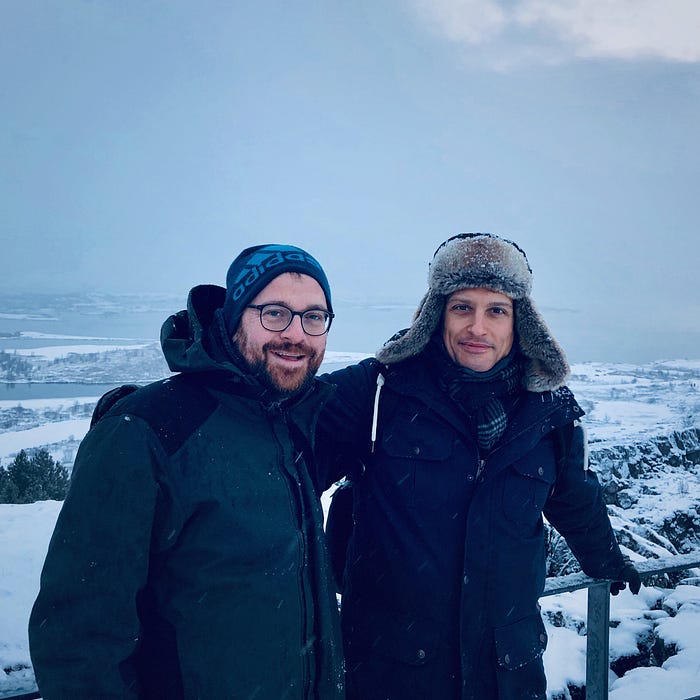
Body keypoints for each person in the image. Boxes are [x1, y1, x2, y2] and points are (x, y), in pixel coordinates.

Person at [316, 233, 641, 700]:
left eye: (496, 311)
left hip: (507, 672)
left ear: (520, 322)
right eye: (462, 307)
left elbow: (573, 498)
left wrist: (606, 559)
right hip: (392, 671)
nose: (478, 327)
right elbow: (284, 445)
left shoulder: (547, 412)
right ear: (436, 315)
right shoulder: (379, 392)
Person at [29, 244, 345, 700]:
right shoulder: (146, 429)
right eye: (274, 313)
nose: (296, 334)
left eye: (314, 317)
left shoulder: (292, 421)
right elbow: (78, 638)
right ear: (233, 318)